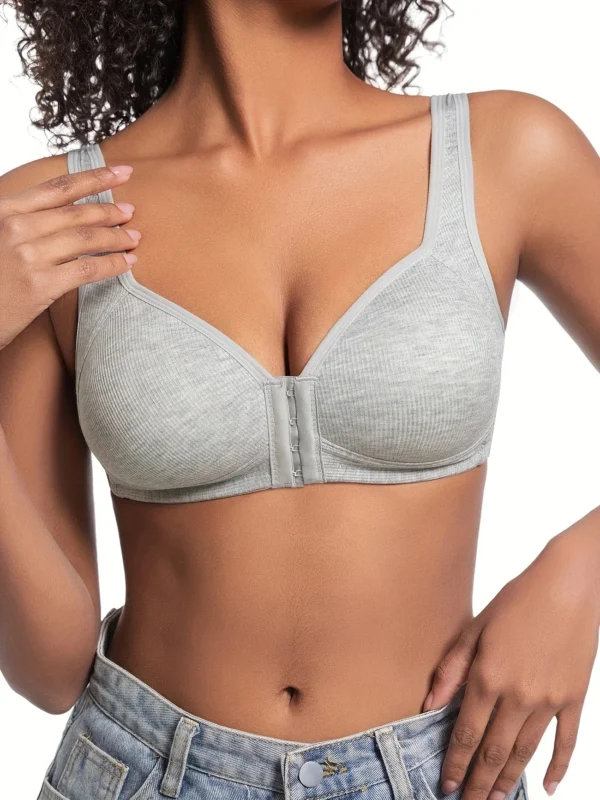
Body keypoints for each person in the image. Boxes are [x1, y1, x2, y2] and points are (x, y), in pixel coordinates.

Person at [1, 2, 599, 799]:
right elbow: (49, 670)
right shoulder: (46, 220)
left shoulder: (506, 153)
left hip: (441, 771)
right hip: (139, 772)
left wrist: (582, 573)